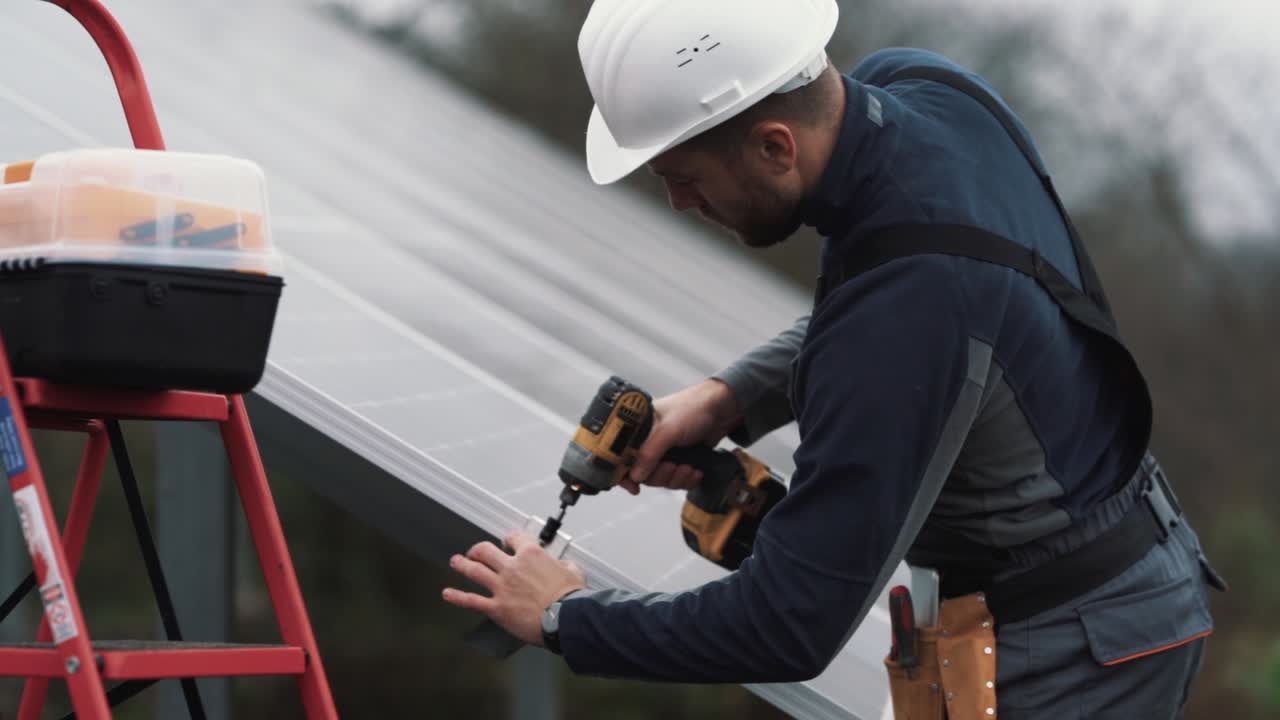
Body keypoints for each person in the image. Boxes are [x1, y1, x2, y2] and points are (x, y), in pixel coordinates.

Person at [443, 1, 1225, 716]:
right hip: (1094, 579)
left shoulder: (908, 314)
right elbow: (902, 290)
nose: (681, 203)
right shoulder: (921, 88)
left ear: (775, 146)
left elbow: (785, 625)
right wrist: (727, 397)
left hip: (1075, 653)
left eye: (685, 179)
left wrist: (562, 617)